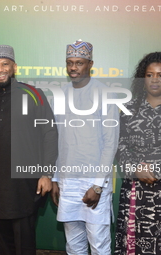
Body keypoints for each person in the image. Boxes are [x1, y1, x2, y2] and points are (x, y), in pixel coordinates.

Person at [0, 45, 58, 255]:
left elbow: (50, 134)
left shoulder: (34, 94)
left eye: (5, 64)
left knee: (24, 245)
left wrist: (46, 173)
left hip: (26, 186)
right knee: (4, 244)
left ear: (14, 67)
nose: (0, 69)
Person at [50, 40, 119, 254]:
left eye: (79, 62)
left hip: (94, 182)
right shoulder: (60, 95)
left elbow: (110, 144)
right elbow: (57, 140)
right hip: (67, 181)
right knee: (74, 243)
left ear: (90, 64)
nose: (73, 67)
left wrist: (98, 185)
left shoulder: (105, 94)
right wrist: (55, 179)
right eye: (69, 62)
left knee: (99, 244)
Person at [115, 52, 161, 255]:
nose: (155, 80)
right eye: (149, 74)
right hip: (136, 188)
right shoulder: (128, 109)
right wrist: (135, 168)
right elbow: (119, 144)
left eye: (160, 75)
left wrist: (155, 168)